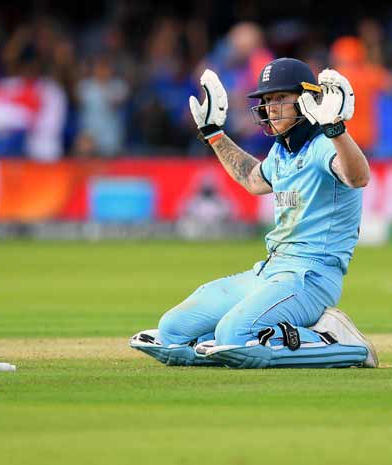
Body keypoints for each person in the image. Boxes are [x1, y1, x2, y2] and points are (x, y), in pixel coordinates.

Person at [130, 58, 378, 369]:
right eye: (266, 100)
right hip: (269, 272)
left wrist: (336, 129)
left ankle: (338, 340)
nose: (270, 107)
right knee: (172, 332)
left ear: (307, 99)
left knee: (235, 334)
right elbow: (252, 179)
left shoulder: (324, 146)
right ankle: (230, 342)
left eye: (279, 99)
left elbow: (358, 178)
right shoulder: (282, 151)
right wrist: (214, 134)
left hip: (311, 277)